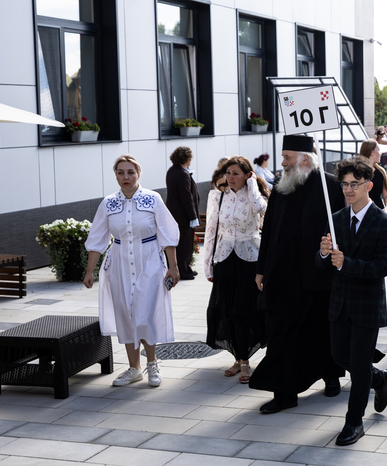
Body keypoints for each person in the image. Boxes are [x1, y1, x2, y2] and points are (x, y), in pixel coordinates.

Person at [250, 135, 345, 413]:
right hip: (282, 276)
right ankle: (285, 393)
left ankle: (331, 377)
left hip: (317, 277)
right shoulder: (281, 186)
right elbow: (268, 231)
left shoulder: (330, 187)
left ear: (305, 158)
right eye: (283, 157)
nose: (283, 163)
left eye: (287, 157)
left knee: (321, 330)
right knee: (281, 334)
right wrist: (261, 268)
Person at [317, 157, 387, 446]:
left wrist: (345, 262)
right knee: (340, 356)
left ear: (369, 186)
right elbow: (322, 262)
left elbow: (382, 268)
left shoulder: (384, 223)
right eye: (345, 184)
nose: (348, 190)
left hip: (367, 304)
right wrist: (325, 253)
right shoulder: (336, 218)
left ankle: (354, 422)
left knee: (360, 363)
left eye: (354, 184)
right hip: (340, 302)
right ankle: (379, 378)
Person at [83, 155, 180, 388]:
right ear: (115, 175)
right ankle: (134, 368)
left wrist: (174, 267)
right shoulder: (108, 203)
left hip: (149, 261)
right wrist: (89, 271)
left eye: (130, 172)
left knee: (145, 311)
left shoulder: (152, 199)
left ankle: (152, 363)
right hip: (119, 263)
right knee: (125, 313)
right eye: (120, 172)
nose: (125, 177)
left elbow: (167, 233)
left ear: (138, 174)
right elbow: (97, 237)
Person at [204, 156, 269, 384]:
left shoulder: (255, 195)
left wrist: (252, 185)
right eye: (228, 173)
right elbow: (211, 231)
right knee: (227, 310)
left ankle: (245, 361)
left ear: (247, 175)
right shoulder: (218, 196)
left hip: (249, 259)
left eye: (236, 173)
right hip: (224, 258)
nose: (230, 178)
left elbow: (261, 208)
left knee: (243, 311)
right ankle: (238, 357)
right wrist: (207, 265)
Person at [165, 146, 200, 281]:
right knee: (184, 246)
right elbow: (187, 197)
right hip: (183, 218)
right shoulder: (182, 174)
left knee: (180, 245)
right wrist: (193, 217)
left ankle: (185, 268)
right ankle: (184, 271)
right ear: (188, 158)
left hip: (175, 215)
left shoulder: (172, 171)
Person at [359, 139, 387, 209]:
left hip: (379, 212)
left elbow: (386, 195)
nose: (380, 153)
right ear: (371, 152)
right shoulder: (357, 171)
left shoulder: (381, 171)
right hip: (362, 213)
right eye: (378, 150)